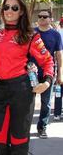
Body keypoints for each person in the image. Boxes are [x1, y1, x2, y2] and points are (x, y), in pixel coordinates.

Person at [0, 0, 54, 155]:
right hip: (0, 91)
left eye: (14, 8)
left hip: (21, 92)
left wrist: (46, 82)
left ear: (21, 12)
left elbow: (48, 61)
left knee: (19, 142)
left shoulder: (30, 36)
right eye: (6, 7)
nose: (9, 10)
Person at [33, 9, 63, 138]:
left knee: (46, 102)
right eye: (39, 16)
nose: (42, 18)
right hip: (31, 73)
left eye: (45, 16)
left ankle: (42, 127)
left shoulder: (55, 35)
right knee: (28, 102)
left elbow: (59, 55)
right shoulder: (32, 33)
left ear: (50, 19)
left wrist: (60, 73)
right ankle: (22, 129)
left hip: (48, 73)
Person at [54, 19, 63, 121]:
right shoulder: (58, 34)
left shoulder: (58, 33)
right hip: (60, 64)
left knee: (58, 90)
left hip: (59, 64)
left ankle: (57, 113)